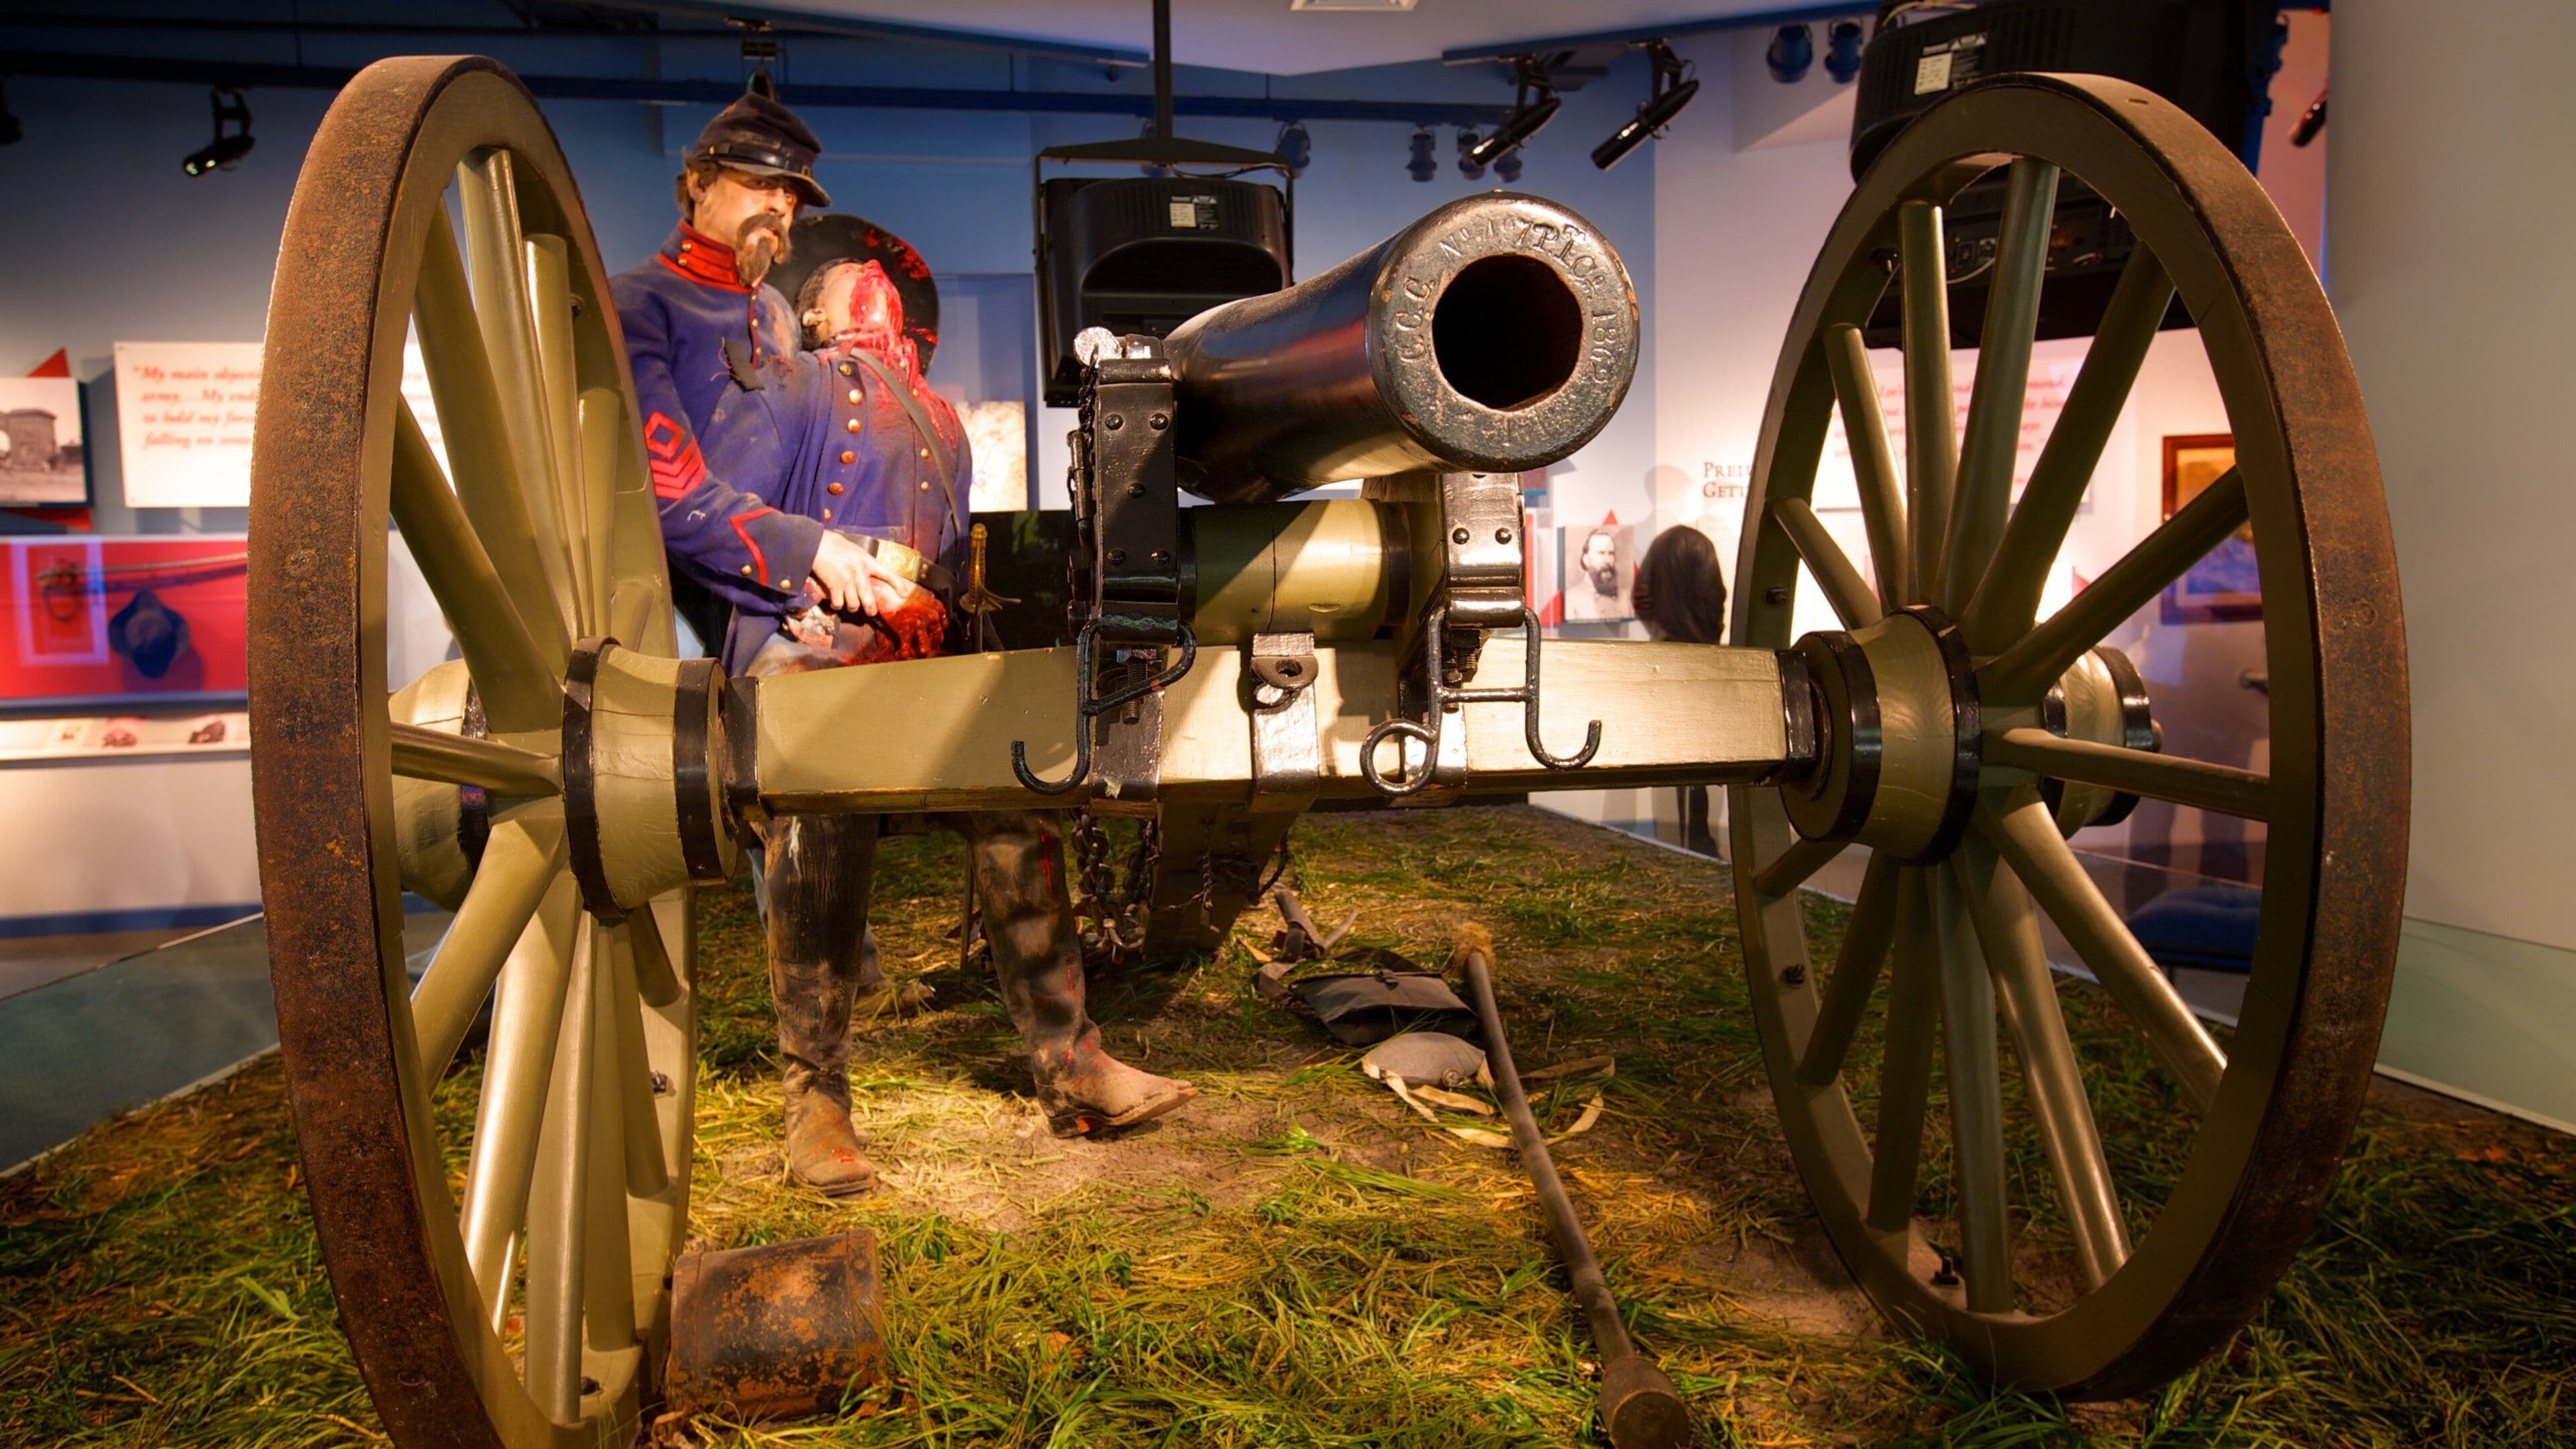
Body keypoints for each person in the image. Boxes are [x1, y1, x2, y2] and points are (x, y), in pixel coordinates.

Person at [686, 252, 1196, 1195]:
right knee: (820, 820)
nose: (874, 275)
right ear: (819, 314)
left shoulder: (946, 418)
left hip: (931, 643)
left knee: (1018, 808)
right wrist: (792, 591)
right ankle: (816, 1102)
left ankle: (1070, 1063)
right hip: (824, 638)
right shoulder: (794, 385)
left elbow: (958, 552)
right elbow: (724, 512)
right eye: (849, 274)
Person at [1633, 526, 1729, 855]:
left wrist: (1662, 633)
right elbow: (1714, 598)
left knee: (1681, 751)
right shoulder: (1702, 546)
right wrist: (1709, 639)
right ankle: (1699, 836)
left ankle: (1687, 836)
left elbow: (1641, 599)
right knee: (1701, 753)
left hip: (1669, 654)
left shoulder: (1660, 545)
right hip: (1699, 657)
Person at [1562, 526, 1632, 621]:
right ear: (1586, 560)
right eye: (1601, 553)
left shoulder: (1626, 598)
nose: (1607, 560)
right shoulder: (1570, 600)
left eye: (1611, 554)